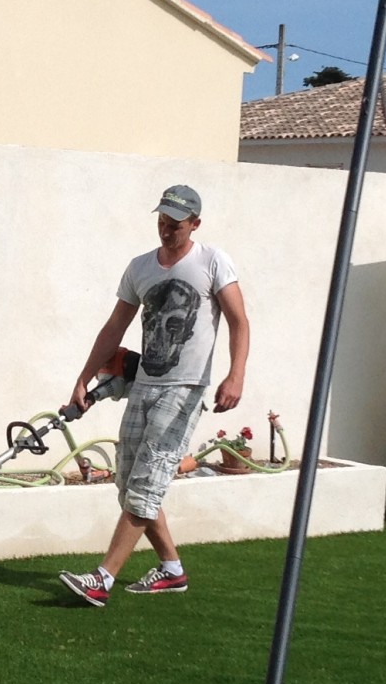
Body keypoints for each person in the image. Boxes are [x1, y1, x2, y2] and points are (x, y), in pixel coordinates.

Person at [59, 184, 249, 606]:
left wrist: (235, 375)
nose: (166, 230)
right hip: (144, 384)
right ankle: (172, 570)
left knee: (147, 484)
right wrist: (83, 377)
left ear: (194, 224)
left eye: (175, 225)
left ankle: (103, 579)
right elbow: (114, 328)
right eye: (162, 222)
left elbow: (239, 321)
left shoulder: (213, 262)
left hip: (185, 389)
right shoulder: (140, 268)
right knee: (130, 485)